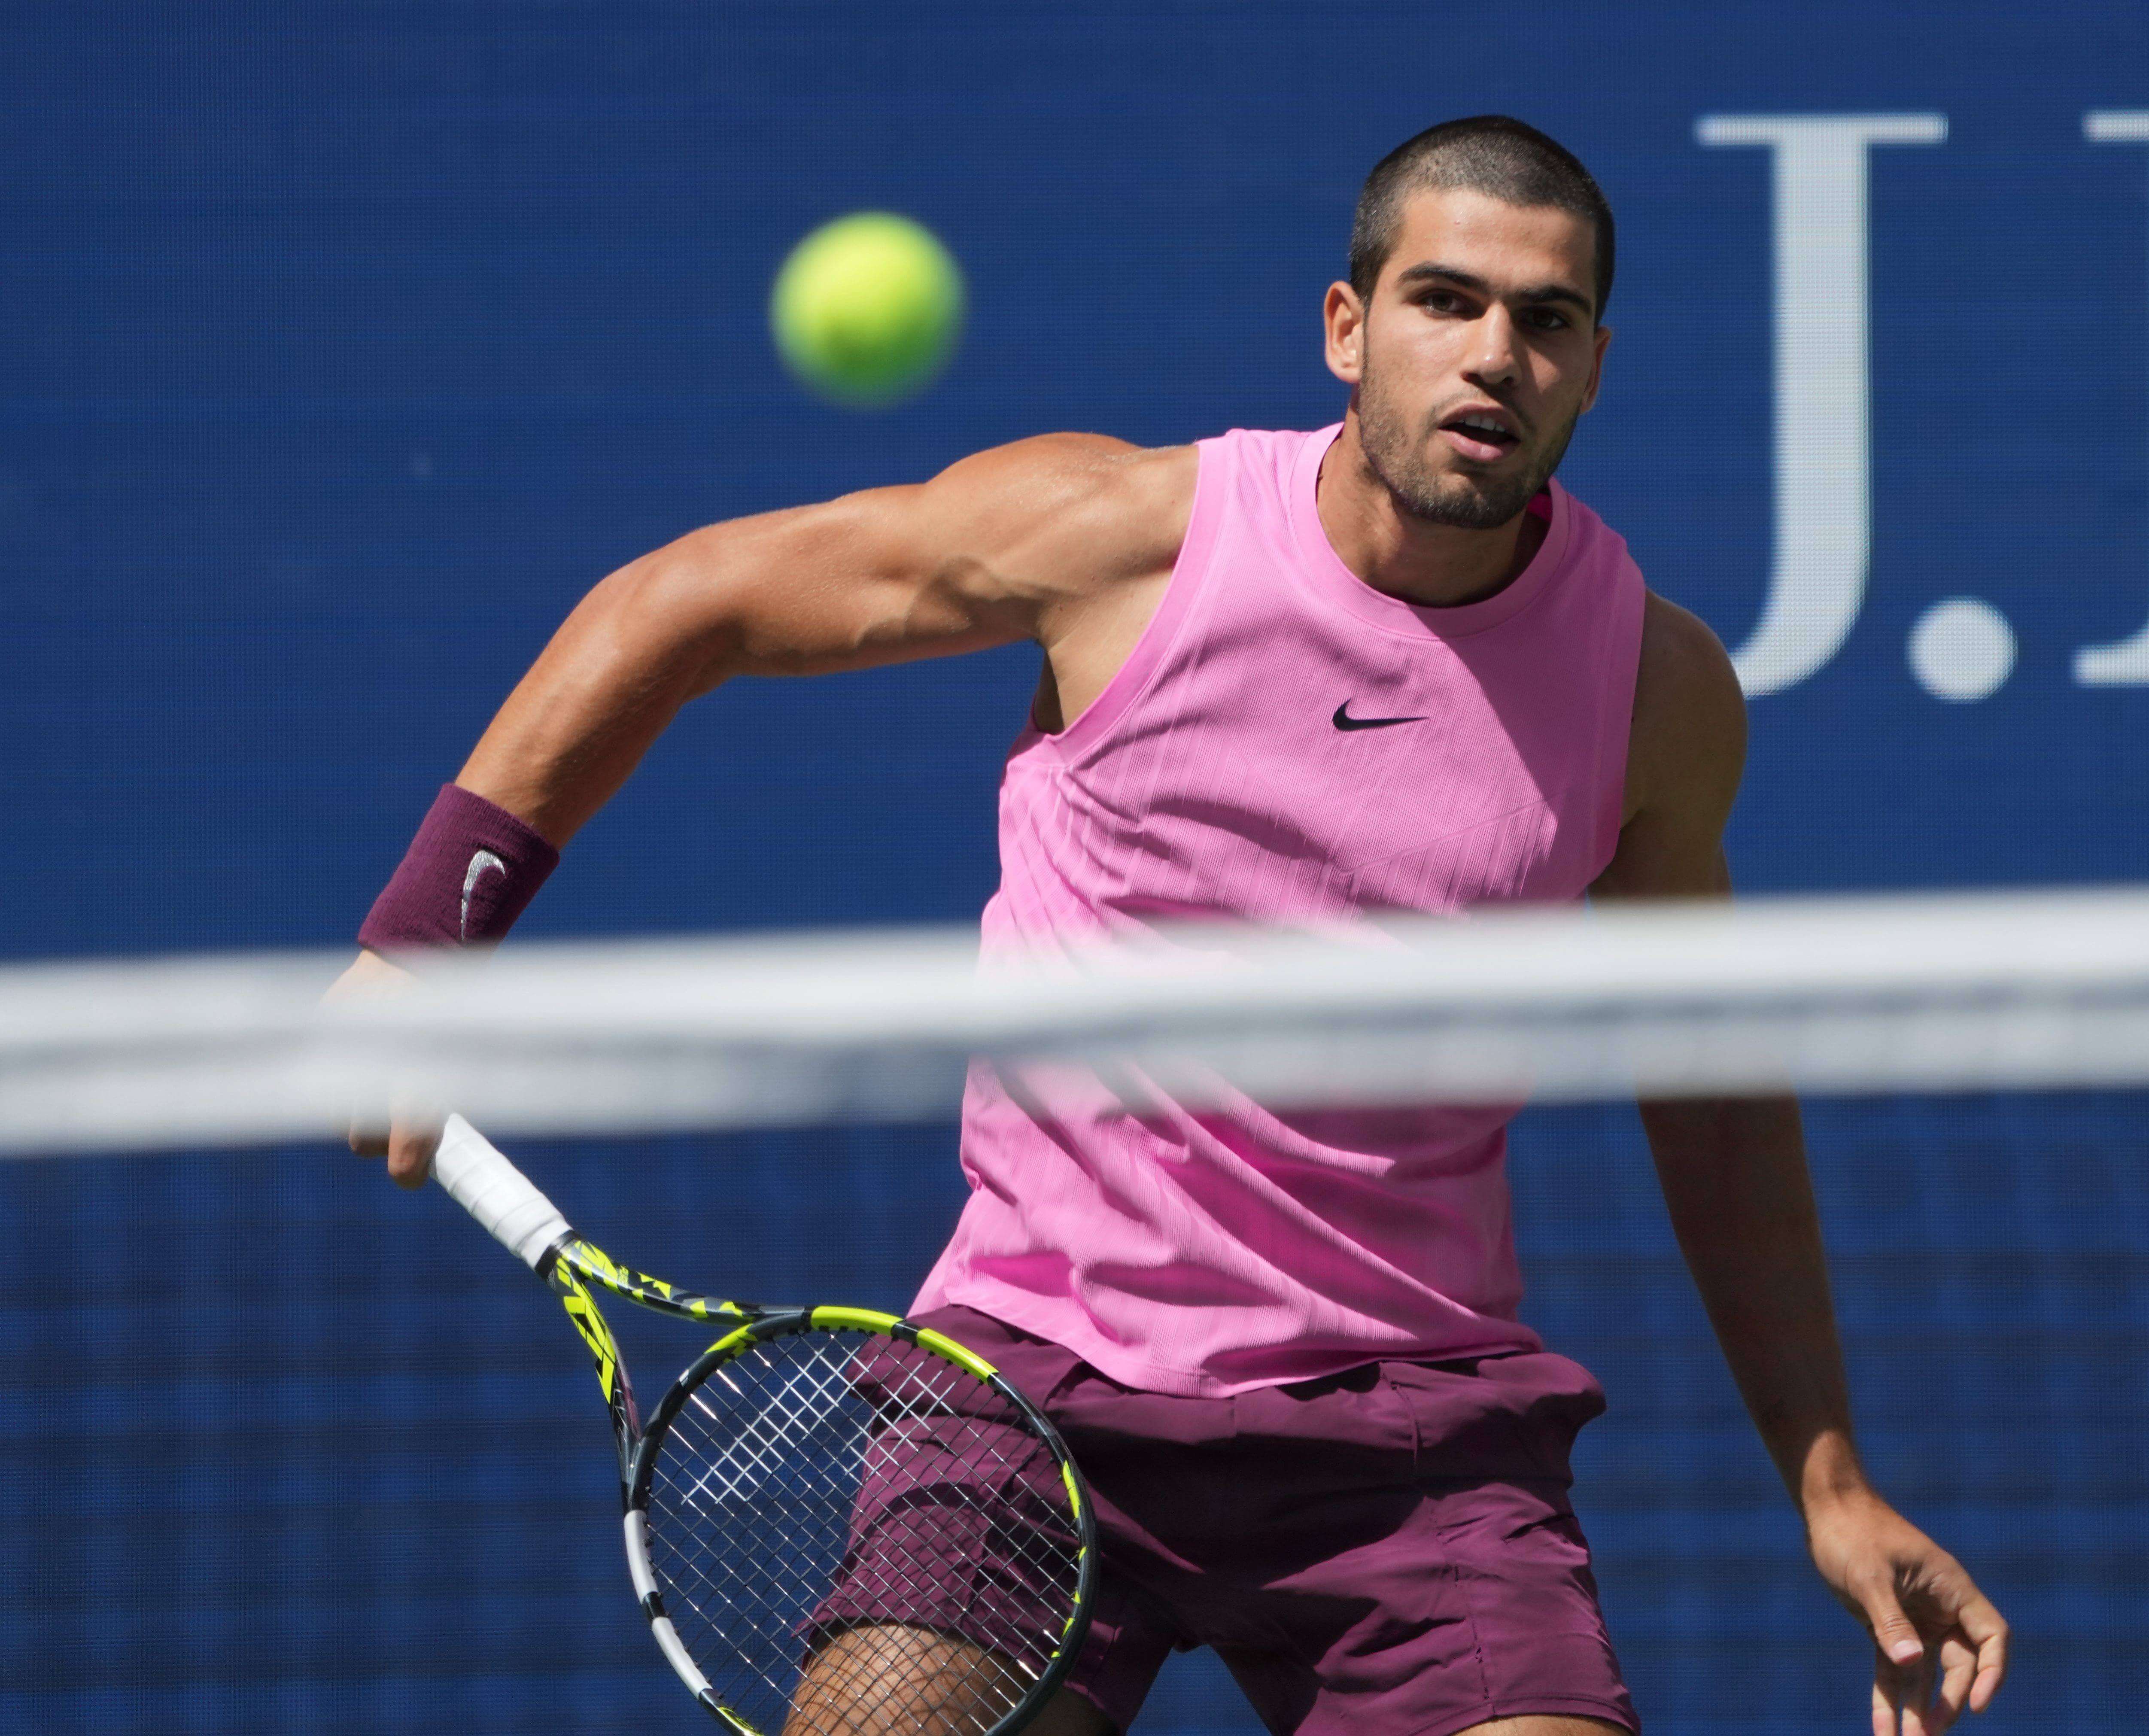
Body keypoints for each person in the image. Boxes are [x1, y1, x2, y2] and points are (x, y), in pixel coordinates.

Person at [337, 116, 2007, 1736]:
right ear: (1348, 330)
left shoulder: (1656, 690)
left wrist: (1830, 1477)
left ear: (1592, 363)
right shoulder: (1130, 546)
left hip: (1408, 1436)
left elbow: (1710, 1091)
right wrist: (423, 944)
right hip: (1029, 1393)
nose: (1495, 354)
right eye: (1447, 302)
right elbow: (684, 603)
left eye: (1546, 321)